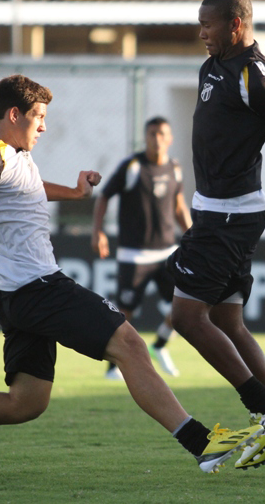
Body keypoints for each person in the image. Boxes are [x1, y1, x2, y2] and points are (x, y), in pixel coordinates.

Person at [0, 75, 263, 476]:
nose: (43, 126)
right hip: (38, 287)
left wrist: (75, 194)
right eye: (38, 116)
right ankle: (202, 444)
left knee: (26, 402)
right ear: (13, 114)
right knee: (129, 343)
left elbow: (19, 185)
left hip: (14, 294)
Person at [166, 0, 265, 470]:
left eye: (208, 24)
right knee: (228, 322)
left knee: (187, 319)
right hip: (215, 211)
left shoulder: (255, 72)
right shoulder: (212, 67)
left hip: (230, 216)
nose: (201, 33)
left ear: (235, 24)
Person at [91, 116, 192, 380]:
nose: (157, 138)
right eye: (152, 134)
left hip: (168, 253)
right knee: (125, 313)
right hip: (134, 254)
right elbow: (104, 195)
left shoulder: (175, 168)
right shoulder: (133, 166)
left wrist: (193, 235)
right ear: (145, 137)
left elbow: (179, 205)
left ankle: (159, 345)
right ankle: (113, 366)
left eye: (161, 134)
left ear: (169, 138)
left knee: (184, 307)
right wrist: (98, 231)